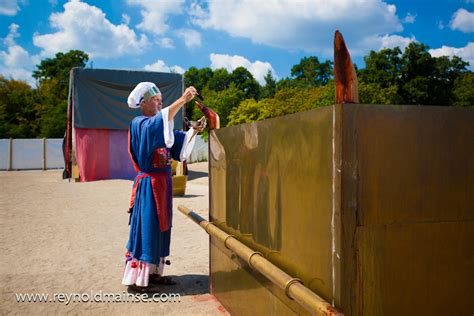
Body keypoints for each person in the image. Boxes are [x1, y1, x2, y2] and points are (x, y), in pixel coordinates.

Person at [121, 82, 205, 292]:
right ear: (144, 103)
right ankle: (137, 280)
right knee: (147, 228)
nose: (160, 104)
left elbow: (177, 143)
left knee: (160, 228)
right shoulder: (139, 124)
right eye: (156, 100)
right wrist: (183, 100)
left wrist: (194, 131)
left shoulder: (160, 126)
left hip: (163, 185)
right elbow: (157, 124)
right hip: (149, 185)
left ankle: (154, 273)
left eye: (161, 100)